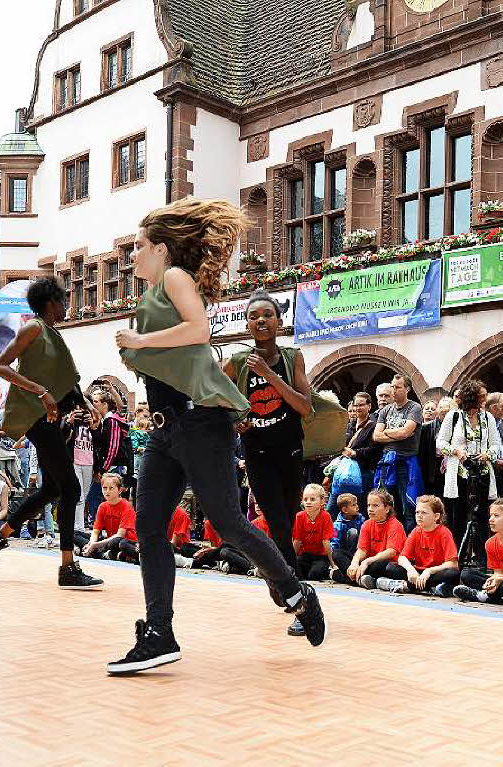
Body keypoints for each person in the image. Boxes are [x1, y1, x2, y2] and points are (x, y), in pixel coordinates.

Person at [110, 198, 325, 674]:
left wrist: (141, 343)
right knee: (148, 527)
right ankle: (159, 633)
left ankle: (296, 592)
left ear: (163, 250)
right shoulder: (153, 294)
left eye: (141, 246)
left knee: (229, 523)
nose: (133, 256)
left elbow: (200, 328)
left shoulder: (173, 278)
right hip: (165, 431)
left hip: (200, 424)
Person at [0, 276, 104, 590]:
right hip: (38, 416)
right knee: (71, 488)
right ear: (51, 302)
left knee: (51, 489)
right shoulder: (33, 328)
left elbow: (65, 380)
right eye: (63, 301)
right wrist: (41, 392)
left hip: (50, 417)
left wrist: (86, 402)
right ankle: (67, 567)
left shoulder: (52, 334)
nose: (66, 306)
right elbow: (1, 367)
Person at [223, 291, 313, 573]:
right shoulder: (236, 363)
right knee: (276, 520)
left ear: (279, 320)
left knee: (287, 516)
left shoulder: (292, 357)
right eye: (254, 316)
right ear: (247, 324)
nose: (261, 320)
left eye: (267, 315)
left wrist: (269, 374)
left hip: (290, 450)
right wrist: (234, 422)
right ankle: (292, 583)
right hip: (257, 453)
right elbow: (214, 403)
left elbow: (305, 407)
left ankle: (280, 578)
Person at [436, 379, 500, 553]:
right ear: (472, 396)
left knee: (481, 517)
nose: (485, 398)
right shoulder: (454, 416)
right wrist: (456, 451)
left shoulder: (488, 417)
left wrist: (487, 454)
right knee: (459, 517)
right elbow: (440, 443)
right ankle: (457, 556)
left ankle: (481, 556)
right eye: (482, 395)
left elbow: (497, 445)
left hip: (482, 472)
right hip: (459, 474)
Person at [453, 498, 503, 604]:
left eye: (496, 516)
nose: (491, 519)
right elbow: (498, 573)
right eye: (491, 515)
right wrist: (493, 581)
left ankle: (483, 595)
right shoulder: (490, 543)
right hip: (502, 582)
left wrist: (499, 580)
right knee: (466, 574)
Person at [374, 496, 459, 596]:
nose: (419, 516)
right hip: (418, 572)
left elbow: (453, 564)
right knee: (391, 567)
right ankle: (429, 588)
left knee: (452, 574)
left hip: (434, 572)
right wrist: (410, 570)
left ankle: (407, 586)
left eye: (424, 513)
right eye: (417, 512)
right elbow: (402, 558)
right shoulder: (416, 531)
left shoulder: (444, 533)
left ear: (436, 516)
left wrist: (429, 571)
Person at [372, 374, 424, 530]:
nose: (393, 390)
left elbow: (406, 433)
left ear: (407, 389)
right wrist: (398, 433)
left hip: (405, 463)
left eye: (398, 387)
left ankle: (408, 545)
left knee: (407, 507)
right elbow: (376, 436)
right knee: (387, 506)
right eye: (392, 386)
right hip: (387, 462)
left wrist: (387, 432)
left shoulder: (414, 407)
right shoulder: (386, 410)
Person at [334, 488, 406, 588]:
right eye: (369, 505)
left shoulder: (395, 525)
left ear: (387, 509)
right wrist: (354, 563)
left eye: (375, 506)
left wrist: (367, 561)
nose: (370, 509)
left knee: (382, 565)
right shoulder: (366, 524)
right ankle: (360, 579)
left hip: (384, 563)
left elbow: (391, 552)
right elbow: (362, 550)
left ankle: (349, 578)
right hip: (367, 563)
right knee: (337, 553)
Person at [89, 388, 133, 507]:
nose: (92, 405)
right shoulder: (104, 421)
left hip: (114, 466)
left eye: (95, 402)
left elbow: (113, 447)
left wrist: (103, 469)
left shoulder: (112, 421)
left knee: (103, 498)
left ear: (104, 404)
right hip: (110, 466)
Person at [81, 473, 137, 561]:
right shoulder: (102, 506)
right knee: (75, 534)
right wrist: (91, 543)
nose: (107, 491)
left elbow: (120, 535)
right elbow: (95, 532)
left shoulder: (126, 506)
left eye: (111, 488)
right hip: (109, 540)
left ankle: (100, 552)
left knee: (120, 543)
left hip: (123, 541)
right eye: (104, 488)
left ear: (119, 490)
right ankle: (110, 554)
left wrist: (95, 545)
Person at [292, 484, 337, 587]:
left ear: (322, 501)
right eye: (305, 499)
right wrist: (291, 559)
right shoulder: (299, 516)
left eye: (312, 499)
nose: (308, 502)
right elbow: (298, 540)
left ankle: (327, 571)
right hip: (305, 554)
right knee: (295, 570)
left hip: (321, 556)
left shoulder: (326, 516)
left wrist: (332, 563)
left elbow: (326, 542)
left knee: (316, 574)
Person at [342, 391, 381, 506]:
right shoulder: (349, 425)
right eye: (356, 405)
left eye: (361, 405)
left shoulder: (374, 426)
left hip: (363, 472)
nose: (358, 408)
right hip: (345, 471)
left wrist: (354, 453)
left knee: (360, 505)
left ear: (369, 406)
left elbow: (374, 449)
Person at [63, 403, 95, 533]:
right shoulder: (69, 422)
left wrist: (94, 426)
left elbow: (99, 442)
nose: (81, 412)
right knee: (79, 496)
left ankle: (77, 526)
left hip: (89, 463)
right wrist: (69, 422)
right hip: (74, 462)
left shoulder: (92, 424)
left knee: (84, 496)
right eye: (78, 410)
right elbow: (62, 438)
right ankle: (78, 528)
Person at [130, 412, 152, 478]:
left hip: (146, 457)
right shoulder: (136, 433)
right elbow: (135, 446)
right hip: (139, 456)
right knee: (137, 472)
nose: (148, 430)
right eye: (146, 428)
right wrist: (141, 448)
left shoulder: (147, 434)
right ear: (141, 427)